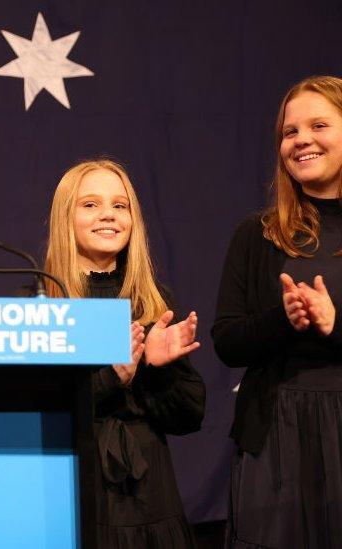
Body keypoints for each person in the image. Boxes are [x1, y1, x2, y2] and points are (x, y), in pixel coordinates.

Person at [44, 159, 205, 548]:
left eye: (120, 205)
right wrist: (109, 380)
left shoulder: (153, 304)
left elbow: (189, 418)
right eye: (90, 205)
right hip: (73, 497)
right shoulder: (39, 303)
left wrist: (157, 369)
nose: (108, 216)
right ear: (66, 217)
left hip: (151, 501)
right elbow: (41, 413)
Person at [213, 76, 342, 547]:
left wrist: (333, 324)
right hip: (274, 439)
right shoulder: (258, 234)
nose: (302, 140)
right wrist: (284, 319)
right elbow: (226, 340)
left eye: (319, 125)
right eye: (290, 132)